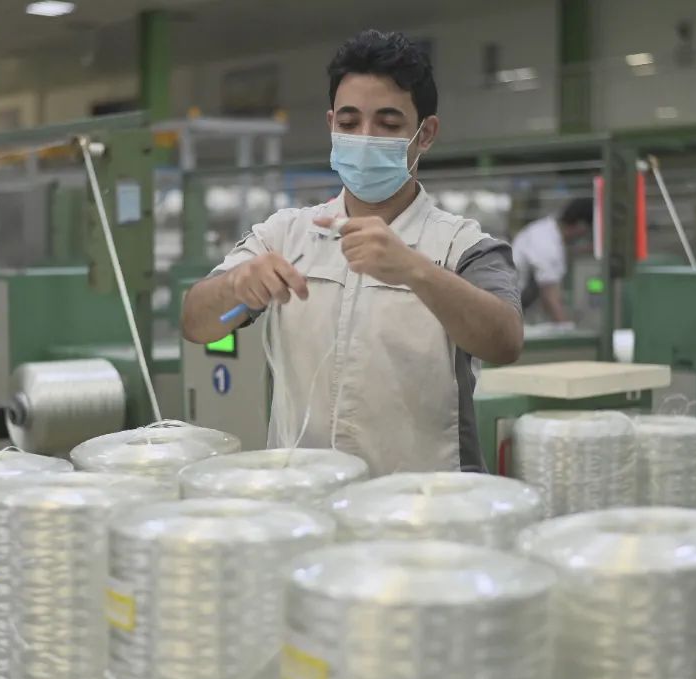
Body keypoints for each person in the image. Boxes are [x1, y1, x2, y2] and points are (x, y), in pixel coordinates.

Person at [181, 30, 523, 476]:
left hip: (422, 501)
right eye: (349, 122)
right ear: (331, 125)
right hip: (305, 493)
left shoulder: (463, 246)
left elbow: (504, 341)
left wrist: (415, 270)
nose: (365, 137)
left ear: (425, 134)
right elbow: (197, 324)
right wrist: (235, 287)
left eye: (388, 124)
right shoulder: (286, 234)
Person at [510, 198, 593, 323]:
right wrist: (566, 328)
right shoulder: (547, 244)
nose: (584, 238)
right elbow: (549, 296)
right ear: (581, 225)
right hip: (508, 308)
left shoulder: (546, 230)